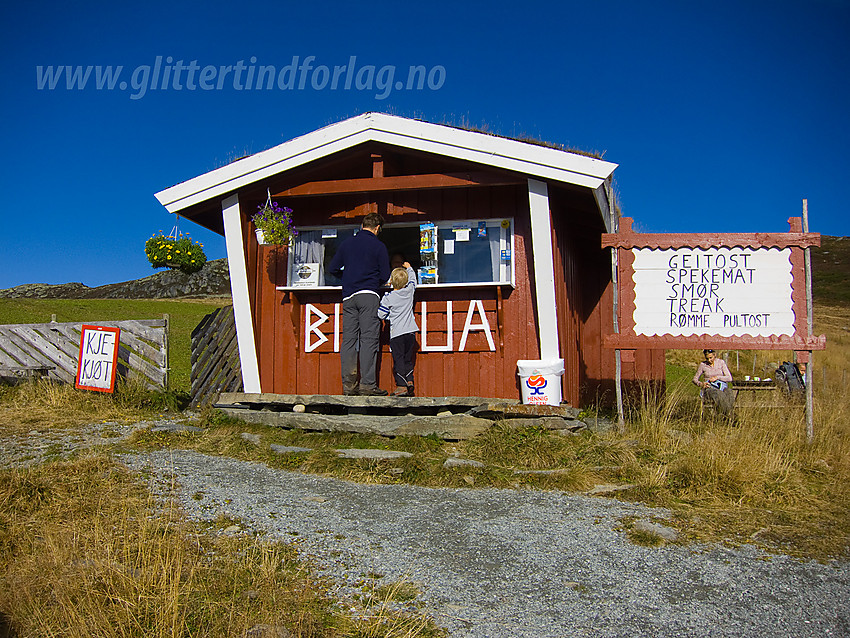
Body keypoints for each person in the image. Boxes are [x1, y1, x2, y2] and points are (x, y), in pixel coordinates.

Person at [327, 213, 390, 396]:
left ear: (361, 225)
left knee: (348, 341)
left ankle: (349, 386)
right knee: (368, 340)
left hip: (348, 296)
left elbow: (332, 268)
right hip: (368, 295)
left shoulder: (346, 244)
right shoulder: (378, 246)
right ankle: (368, 385)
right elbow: (385, 275)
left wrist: (347, 279)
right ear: (377, 228)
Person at [378, 261, 418, 396]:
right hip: (411, 331)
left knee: (398, 359)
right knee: (408, 358)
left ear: (391, 281)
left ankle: (402, 386)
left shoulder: (388, 297)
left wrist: (389, 316)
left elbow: (381, 314)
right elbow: (413, 281)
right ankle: (410, 380)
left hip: (397, 334)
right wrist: (410, 268)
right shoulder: (409, 291)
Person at [693, 349, 735, 417]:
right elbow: (695, 379)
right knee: (717, 393)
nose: (709, 360)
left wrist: (717, 377)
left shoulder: (721, 363)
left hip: (721, 386)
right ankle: (728, 415)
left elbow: (729, 378)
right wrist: (701, 384)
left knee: (729, 392)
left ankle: (727, 414)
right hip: (710, 388)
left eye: (711, 358)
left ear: (714, 355)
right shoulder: (703, 365)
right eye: (707, 358)